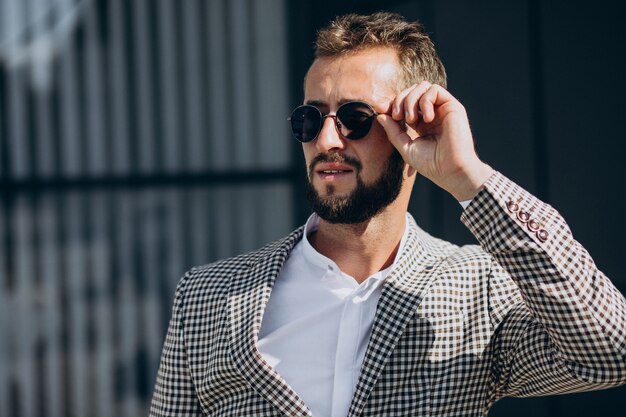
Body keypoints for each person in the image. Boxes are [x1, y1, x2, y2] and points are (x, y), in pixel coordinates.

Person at [150, 12, 626, 417]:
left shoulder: (477, 292)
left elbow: (608, 351)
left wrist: (469, 179)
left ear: (414, 125)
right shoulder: (208, 297)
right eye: (311, 119)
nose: (327, 142)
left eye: (355, 118)